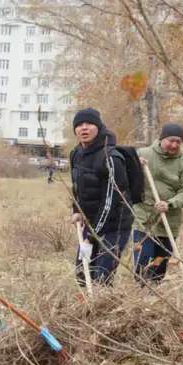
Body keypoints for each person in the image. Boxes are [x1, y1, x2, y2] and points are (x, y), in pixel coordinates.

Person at [68, 108, 134, 287]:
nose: (84, 128)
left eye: (89, 124)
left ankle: (103, 312)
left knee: (101, 278)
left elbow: (110, 202)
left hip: (115, 225)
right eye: (79, 125)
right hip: (91, 221)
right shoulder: (76, 154)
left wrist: (92, 235)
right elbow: (78, 187)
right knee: (82, 272)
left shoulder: (111, 157)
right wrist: (77, 210)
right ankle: (87, 311)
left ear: (98, 127)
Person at [132, 123, 183, 284]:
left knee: (159, 266)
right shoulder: (143, 154)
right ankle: (139, 297)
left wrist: (170, 203)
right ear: (161, 139)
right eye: (171, 140)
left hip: (169, 223)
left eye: (178, 142)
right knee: (142, 263)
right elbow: (126, 175)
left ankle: (154, 299)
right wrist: (134, 164)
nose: (174, 145)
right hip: (144, 220)